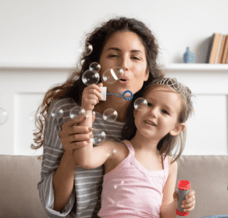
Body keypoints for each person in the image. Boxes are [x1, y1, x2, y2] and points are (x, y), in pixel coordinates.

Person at [33, 17, 165, 217]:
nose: (124, 65)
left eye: (135, 57)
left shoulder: (153, 121)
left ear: (147, 72)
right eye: (113, 55)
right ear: (97, 65)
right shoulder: (67, 113)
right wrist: (71, 152)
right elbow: (55, 206)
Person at [74, 77, 196, 217]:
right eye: (149, 104)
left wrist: (178, 205)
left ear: (176, 128)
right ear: (135, 110)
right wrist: (86, 111)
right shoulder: (116, 149)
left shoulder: (169, 164)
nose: (153, 112)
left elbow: (164, 213)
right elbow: (84, 159)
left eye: (164, 111)